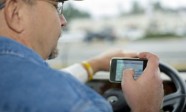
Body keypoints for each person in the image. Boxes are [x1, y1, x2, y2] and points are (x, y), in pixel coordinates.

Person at [0, 0, 163, 112]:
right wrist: (146, 107)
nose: (63, 21)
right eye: (57, 6)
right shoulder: (75, 101)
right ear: (16, 14)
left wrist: (96, 64)